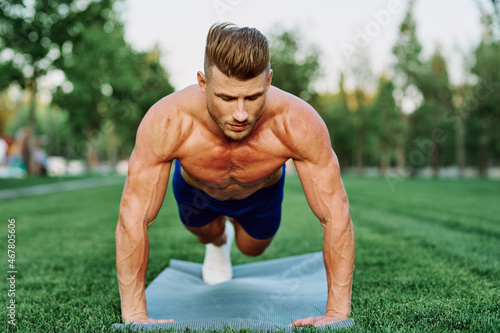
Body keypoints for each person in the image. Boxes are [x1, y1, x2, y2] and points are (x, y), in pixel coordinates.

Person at [116, 22, 355, 327]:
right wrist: (135, 314)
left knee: (252, 248)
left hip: (261, 195)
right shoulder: (168, 122)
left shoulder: (297, 123)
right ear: (203, 83)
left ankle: (232, 238)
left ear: (268, 81)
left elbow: (336, 214)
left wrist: (336, 311)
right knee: (207, 232)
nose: (240, 114)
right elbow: (132, 216)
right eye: (227, 98)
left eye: (253, 97)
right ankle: (217, 243)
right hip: (197, 193)